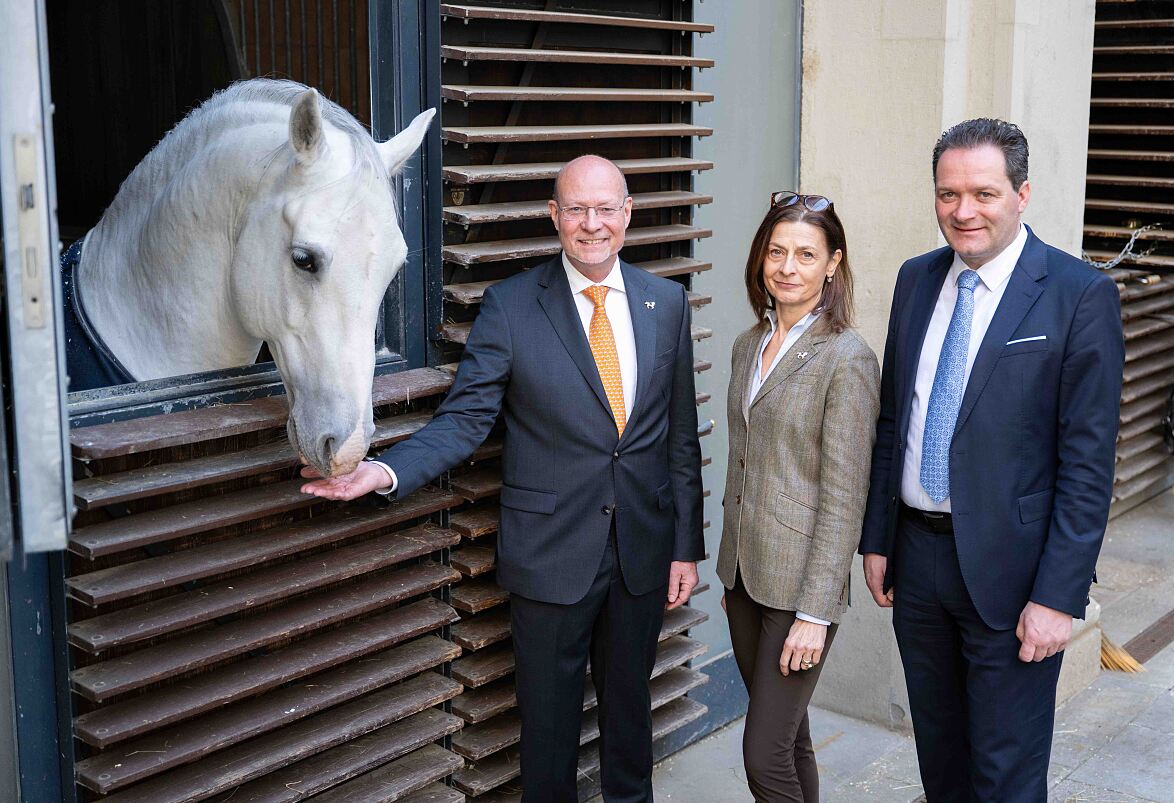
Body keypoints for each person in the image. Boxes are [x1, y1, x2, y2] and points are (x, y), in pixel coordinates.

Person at [300, 154, 704, 803]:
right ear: (554, 216)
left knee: (631, 726)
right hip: (550, 559)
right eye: (576, 208)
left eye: (605, 208)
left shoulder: (667, 304)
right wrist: (384, 469)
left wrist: (686, 544)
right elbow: (464, 420)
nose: (591, 223)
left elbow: (678, 439)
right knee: (548, 741)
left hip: (641, 556)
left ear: (628, 214)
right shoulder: (513, 306)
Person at [859, 118, 1124, 801]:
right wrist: (878, 539)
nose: (963, 210)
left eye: (983, 192)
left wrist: (1058, 597)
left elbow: (1088, 465)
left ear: (1023, 193)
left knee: (1005, 773)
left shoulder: (1077, 294)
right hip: (917, 564)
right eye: (948, 194)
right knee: (940, 762)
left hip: (1015, 578)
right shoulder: (917, 279)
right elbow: (896, 419)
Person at [717, 192, 879, 803]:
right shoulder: (746, 344)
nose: (788, 266)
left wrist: (816, 613)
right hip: (742, 577)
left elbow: (844, 497)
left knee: (763, 759)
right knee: (790, 740)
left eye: (806, 254)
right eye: (777, 251)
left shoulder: (847, 359)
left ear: (832, 263)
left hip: (797, 589)